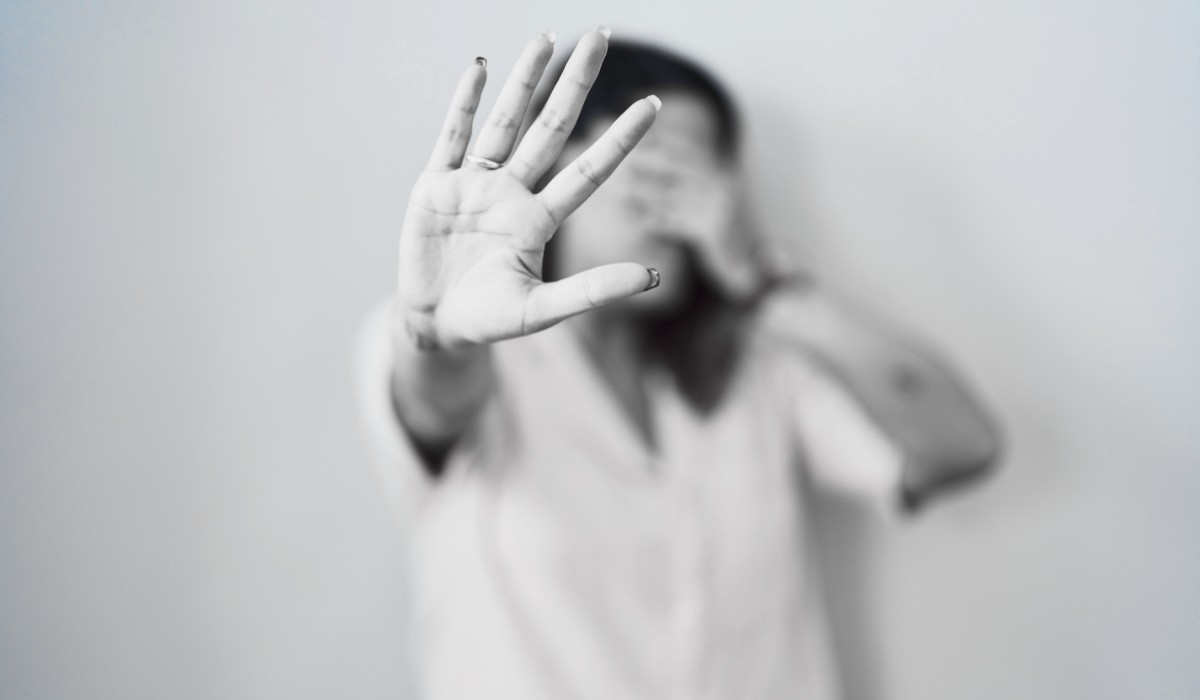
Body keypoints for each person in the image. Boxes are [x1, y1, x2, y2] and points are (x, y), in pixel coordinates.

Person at [356, 27, 1001, 700]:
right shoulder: (466, 357)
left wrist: (759, 283)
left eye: (707, 179)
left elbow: (964, 444)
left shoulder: (756, 368)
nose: (686, 212)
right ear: (564, 163)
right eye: (661, 170)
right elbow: (434, 398)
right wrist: (435, 333)